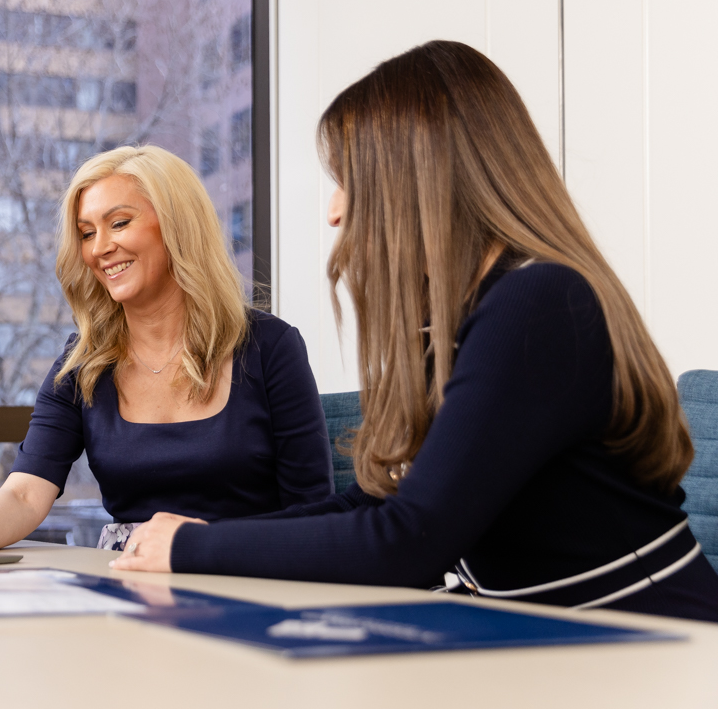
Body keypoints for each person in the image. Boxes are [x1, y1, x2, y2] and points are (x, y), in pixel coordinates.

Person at [112, 41, 718, 623]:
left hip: (659, 659)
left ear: (417, 178)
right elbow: (376, 503)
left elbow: (407, 541)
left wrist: (190, 551)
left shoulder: (537, 302)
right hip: (564, 651)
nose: (333, 211)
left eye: (348, 178)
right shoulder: (470, 318)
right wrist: (201, 537)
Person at [0, 145, 334, 553]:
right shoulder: (84, 363)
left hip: (248, 575)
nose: (99, 248)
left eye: (120, 223)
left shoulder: (270, 347)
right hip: (129, 580)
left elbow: (312, 512)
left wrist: (208, 548)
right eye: (87, 233)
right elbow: (23, 493)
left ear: (177, 225)